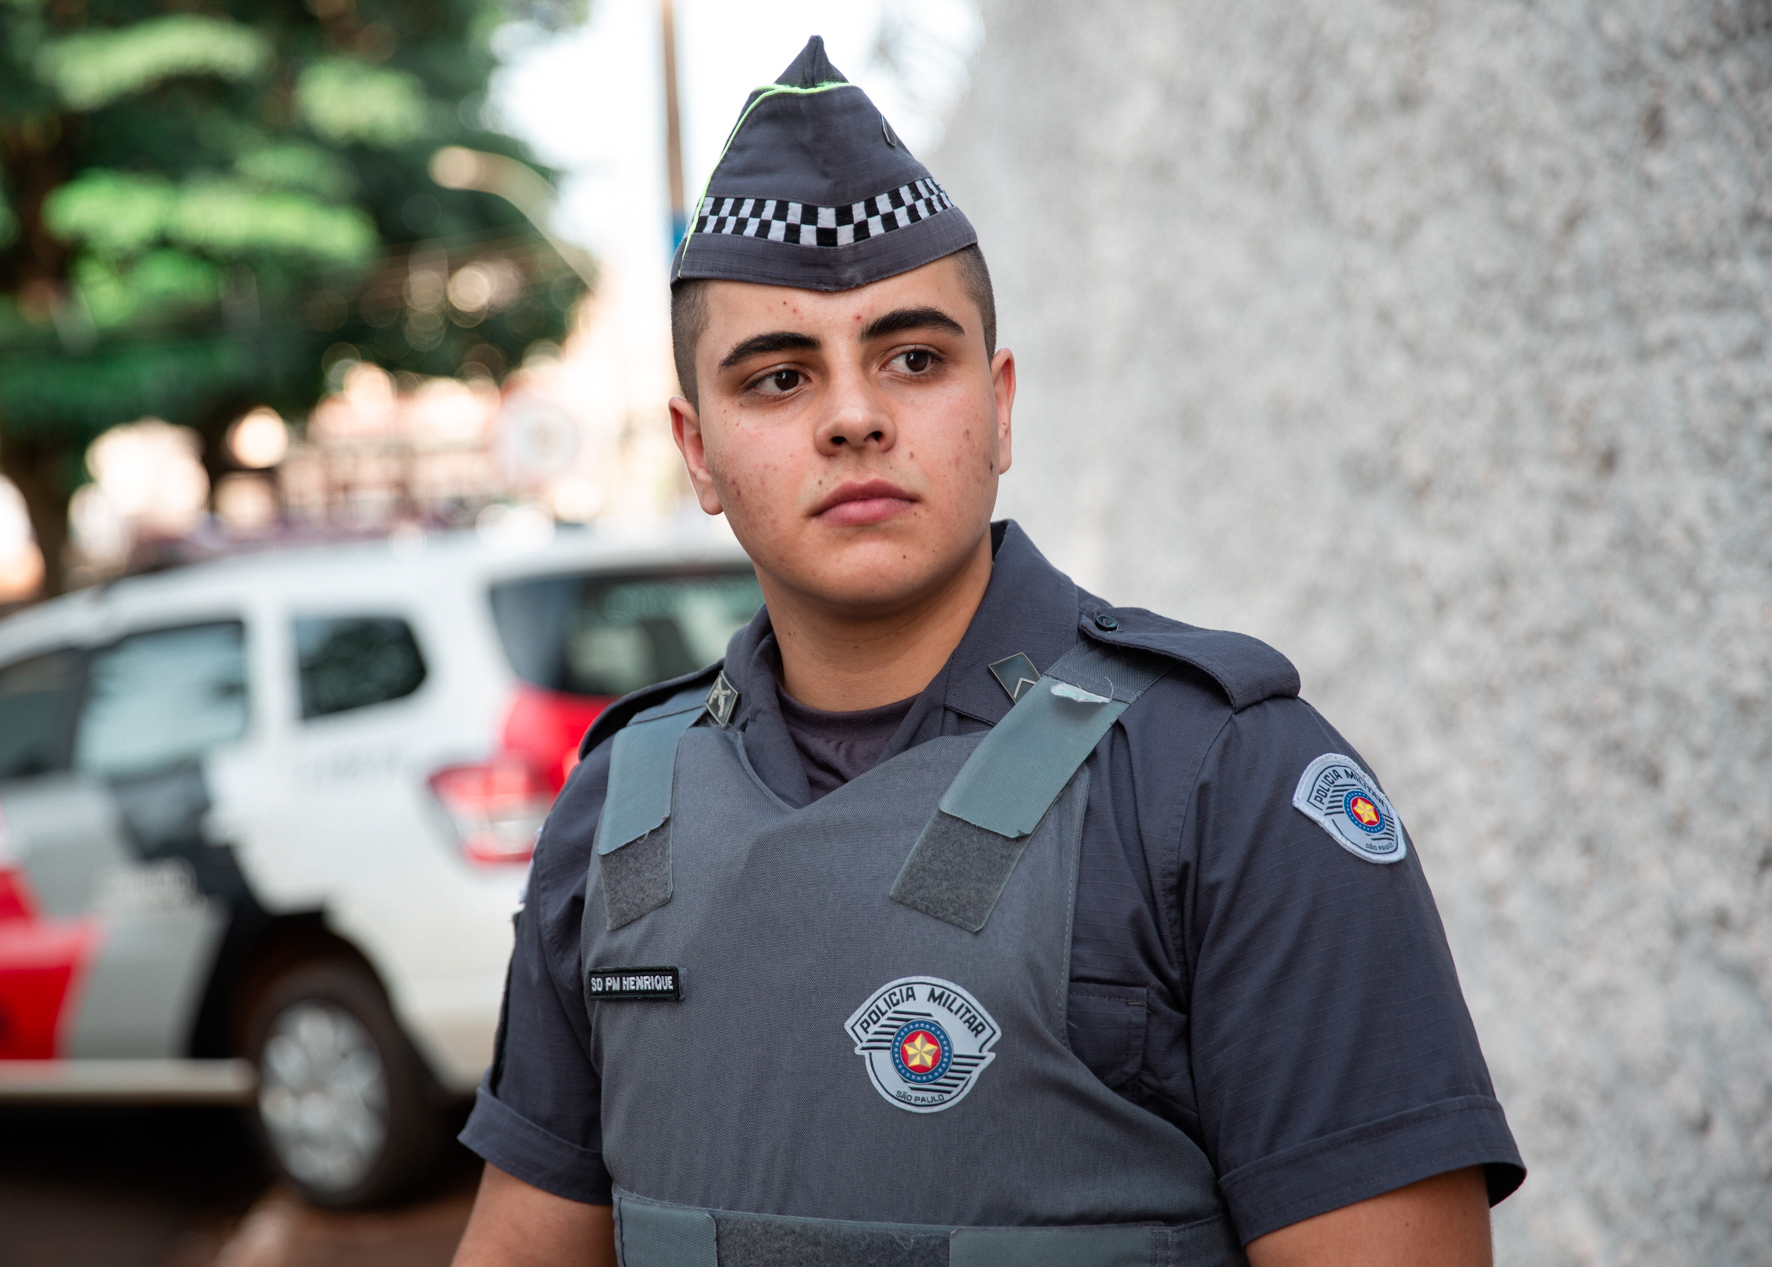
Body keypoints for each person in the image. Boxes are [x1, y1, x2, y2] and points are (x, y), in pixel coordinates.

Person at [453, 37, 1523, 1267]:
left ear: (999, 403)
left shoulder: (1221, 785)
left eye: (914, 358)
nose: (855, 415)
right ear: (697, 452)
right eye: (780, 375)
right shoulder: (618, 807)